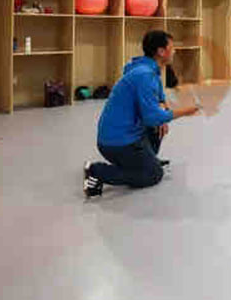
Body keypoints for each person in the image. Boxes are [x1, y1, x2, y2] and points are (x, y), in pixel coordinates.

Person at [83, 30, 199, 198]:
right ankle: (97, 171)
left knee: (158, 124)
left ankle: (145, 160)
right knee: (153, 174)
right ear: (161, 51)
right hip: (117, 143)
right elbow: (152, 117)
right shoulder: (145, 75)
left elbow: (159, 96)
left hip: (124, 135)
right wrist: (187, 111)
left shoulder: (146, 68)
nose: (174, 52)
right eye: (172, 48)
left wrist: (162, 110)